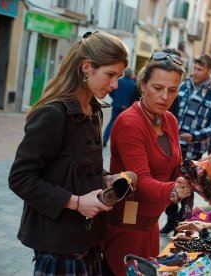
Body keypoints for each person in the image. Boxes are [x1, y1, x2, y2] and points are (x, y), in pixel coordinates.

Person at [8, 31, 129, 275]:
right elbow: (20, 178)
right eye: (110, 74)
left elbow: (77, 167)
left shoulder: (93, 110)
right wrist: (75, 203)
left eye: (119, 76)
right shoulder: (54, 114)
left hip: (88, 241)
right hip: (58, 247)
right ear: (87, 68)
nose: (115, 85)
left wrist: (107, 179)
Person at [102, 49, 195, 275]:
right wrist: (174, 190)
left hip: (150, 224)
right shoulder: (130, 122)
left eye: (172, 90)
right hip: (126, 226)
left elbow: (175, 168)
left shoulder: (169, 120)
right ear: (142, 84)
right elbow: (141, 181)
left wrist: (198, 172)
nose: (165, 97)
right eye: (158, 88)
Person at [160, 54, 211, 235]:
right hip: (172, 146)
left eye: (200, 69)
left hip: (195, 151)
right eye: (194, 68)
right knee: (170, 183)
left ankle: (182, 223)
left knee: (188, 190)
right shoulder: (182, 87)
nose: (195, 72)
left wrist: (194, 136)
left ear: (209, 71)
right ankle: (170, 219)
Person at [103, 67, 137, 147]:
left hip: (116, 105)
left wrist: (115, 98)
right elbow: (133, 97)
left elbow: (111, 92)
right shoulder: (133, 84)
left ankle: (105, 138)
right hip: (126, 108)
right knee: (123, 126)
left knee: (112, 122)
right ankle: (119, 144)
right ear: (131, 74)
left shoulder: (119, 81)